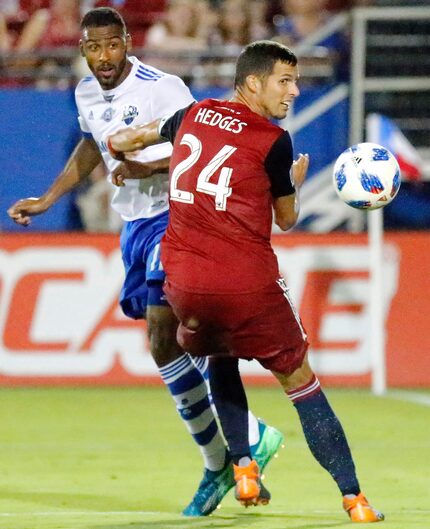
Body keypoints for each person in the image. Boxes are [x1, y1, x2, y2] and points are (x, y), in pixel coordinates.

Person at [7, 8, 284, 517]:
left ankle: (238, 443)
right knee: (162, 346)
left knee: (165, 332)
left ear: (128, 42)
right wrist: (48, 199)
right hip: (134, 224)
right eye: (94, 48)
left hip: (176, 214)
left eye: (113, 46)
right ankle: (227, 454)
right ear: (84, 50)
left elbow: (201, 144)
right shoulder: (86, 93)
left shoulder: (164, 88)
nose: (104, 57)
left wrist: (146, 164)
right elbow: (92, 145)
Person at [107, 40, 385, 522]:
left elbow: (130, 139)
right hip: (246, 283)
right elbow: (287, 218)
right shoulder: (274, 142)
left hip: (185, 283)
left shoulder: (190, 116)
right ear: (253, 83)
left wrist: (120, 147)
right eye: (285, 81)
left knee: (219, 354)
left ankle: (242, 466)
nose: (294, 91)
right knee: (301, 383)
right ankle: (354, 498)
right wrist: (292, 182)